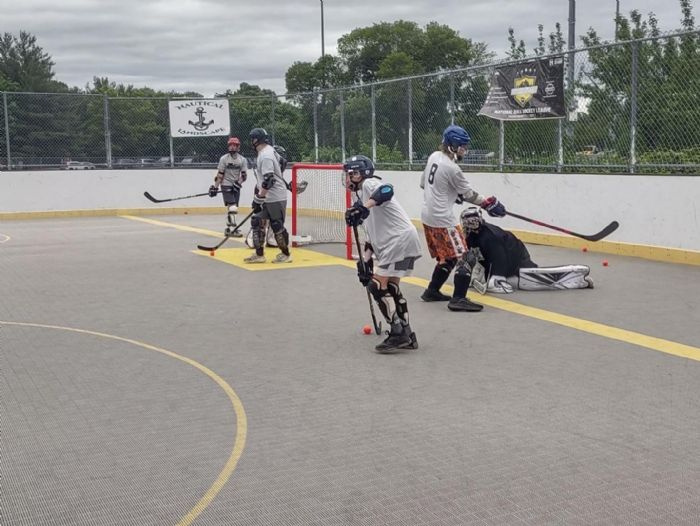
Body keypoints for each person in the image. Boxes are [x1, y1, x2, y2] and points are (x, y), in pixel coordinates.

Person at [419, 124, 507, 311]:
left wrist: (452, 194)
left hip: (427, 216)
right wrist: (488, 204)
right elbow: (469, 195)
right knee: (467, 257)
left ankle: (432, 291)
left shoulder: (434, 156)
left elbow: (423, 184)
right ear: (452, 146)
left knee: (448, 257)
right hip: (443, 219)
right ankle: (458, 299)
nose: (464, 150)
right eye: (462, 146)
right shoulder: (453, 168)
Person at [344, 155, 422, 353]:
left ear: (362, 174)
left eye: (352, 174)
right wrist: (365, 262)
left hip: (398, 240)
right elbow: (371, 235)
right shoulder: (359, 196)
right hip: (400, 240)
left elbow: (387, 190)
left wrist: (363, 207)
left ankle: (397, 333)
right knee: (391, 287)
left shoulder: (369, 184)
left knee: (376, 286)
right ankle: (407, 334)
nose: (348, 178)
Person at [460, 207, 594, 293]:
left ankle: (578, 281)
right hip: (506, 256)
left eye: (469, 222)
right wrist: (476, 274)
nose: (466, 225)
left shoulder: (490, 236)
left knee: (527, 278)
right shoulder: (472, 236)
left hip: (516, 256)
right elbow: (477, 254)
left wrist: (497, 277)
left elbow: (499, 256)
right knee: (519, 280)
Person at [244, 128, 292, 264]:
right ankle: (259, 255)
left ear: (256, 140)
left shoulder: (265, 156)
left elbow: (269, 180)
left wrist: (258, 198)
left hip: (275, 197)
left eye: (252, 139)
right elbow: (281, 163)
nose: (251, 142)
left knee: (277, 225)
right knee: (257, 221)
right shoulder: (269, 151)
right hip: (268, 196)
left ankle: (286, 254)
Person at [210, 137, 247, 237]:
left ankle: (228, 228)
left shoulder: (242, 160)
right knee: (233, 207)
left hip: (236, 186)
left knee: (233, 208)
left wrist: (238, 183)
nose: (232, 147)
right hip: (226, 185)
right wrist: (215, 187)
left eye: (234, 145)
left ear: (238, 147)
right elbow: (220, 174)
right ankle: (233, 230)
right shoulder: (224, 159)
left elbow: (244, 176)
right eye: (230, 145)